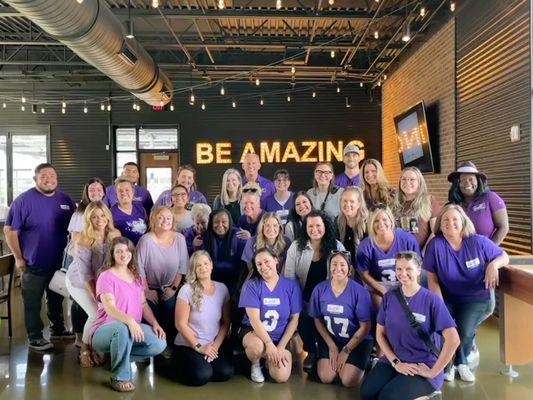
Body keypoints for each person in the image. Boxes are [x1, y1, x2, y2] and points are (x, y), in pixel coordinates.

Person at [423, 204, 509, 382]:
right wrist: (439, 305)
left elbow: (504, 256)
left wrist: (493, 265)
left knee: (464, 330)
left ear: (463, 222)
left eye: (455, 219)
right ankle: (455, 362)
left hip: (475, 298)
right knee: (446, 328)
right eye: (445, 220)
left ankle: (456, 364)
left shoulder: (477, 241)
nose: (450, 223)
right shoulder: (435, 245)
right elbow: (432, 279)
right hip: (447, 297)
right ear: (440, 224)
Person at [360, 251, 460, 400]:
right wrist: (395, 362)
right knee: (367, 394)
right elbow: (380, 334)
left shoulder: (432, 300)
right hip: (395, 359)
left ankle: (425, 396)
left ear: (419, 271)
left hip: (423, 364)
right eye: (399, 269)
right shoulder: (389, 297)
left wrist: (433, 372)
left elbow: (454, 340)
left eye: (408, 269)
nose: (403, 273)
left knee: (388, 397)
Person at [4, 163, 76, 351]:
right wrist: (18, 258)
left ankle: (57, 330)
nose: (48, 179)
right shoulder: (23, 201)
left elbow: (75, 228)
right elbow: (10, 230)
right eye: (43, 176)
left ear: (56, 179)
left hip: (59, 263)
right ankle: (35, 337)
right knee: (32, 302)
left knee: (55, 299)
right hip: (33, 262)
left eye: (52, 175)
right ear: (35, 179)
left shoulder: (65, 199)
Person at [90, 237, 166, 392]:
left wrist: (155, 323)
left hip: (131, 328)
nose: (123, 254)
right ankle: (120, 377)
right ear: (112, 255)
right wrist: (130, 321)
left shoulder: (136, 276)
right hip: (105, 330)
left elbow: (143, 305)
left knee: (159, 343)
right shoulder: (106, 276)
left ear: (131, 253)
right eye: (119, 251)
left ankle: (119, 358)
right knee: (122, 328)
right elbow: (110, 307)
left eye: (126, 251)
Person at [284, 210, 345, 369]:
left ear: (325, 226)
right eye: (310, 226)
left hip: (330, 297)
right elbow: (290, 278)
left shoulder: (337, 246)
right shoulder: (296, 247)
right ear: (305, 228)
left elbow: (344, 276)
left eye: (318, 225)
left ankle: (328, 349)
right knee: (301, 314)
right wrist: (296, 300)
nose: (314, 229)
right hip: (303, 296)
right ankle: (310, 350)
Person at [66, 201, 120, 367]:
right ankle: (85, 349)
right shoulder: (85, 237)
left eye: (102, 215)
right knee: (96, 313)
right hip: (79, 281)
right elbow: (85, 273)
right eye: (94, 217)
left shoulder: (114, 234)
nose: (99, 219)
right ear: (89, 219)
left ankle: (98, 348)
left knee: (109, 312)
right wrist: (96, 296)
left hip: (101, 280)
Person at [309, 250, 373, 387]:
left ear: (349, 269)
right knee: (326, 377)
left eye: (342, 265)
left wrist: (346, 350)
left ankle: (366, 361)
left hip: (356, 341)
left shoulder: (359, 292)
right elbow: (317, 319)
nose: (338, 268)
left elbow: (365, 326)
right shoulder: (320, 289)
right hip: (332, 338)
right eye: (334, 264)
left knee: (348, 381)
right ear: (329, 267)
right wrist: (332, 346)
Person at [239, 247, 302, 383]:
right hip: (254, 333)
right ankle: (255, 363)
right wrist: (269, 344)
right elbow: (254, 319)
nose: (264, 266)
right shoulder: (252, 285)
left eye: (267, 261)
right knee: (257, 346)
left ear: (275, 260)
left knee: (281, 377)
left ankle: (268, 358)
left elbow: (294, 320)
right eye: (259, 264)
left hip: (279, 337)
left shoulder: (291, 286)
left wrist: (280, 346)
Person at [173, 251, 234, 386]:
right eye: (198, 265)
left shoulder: (222, 288)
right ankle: (181, 365)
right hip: (189, 344)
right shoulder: (186, 290)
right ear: (193, 269)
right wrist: (199, 347)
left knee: (226, 373)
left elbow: (225, 323)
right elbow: (180, 324)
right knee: (202, 376)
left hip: (212, 343)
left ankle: (203, 366)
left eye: (206, 263)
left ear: (211, 265)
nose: (203, 268)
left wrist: (215, 347)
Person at [135, 207, 189, 341]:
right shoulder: (145, 240)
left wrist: (173, 289)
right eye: (161, 217)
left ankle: (169, 343)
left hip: (171, 285)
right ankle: (152, 345)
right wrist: (147, 291)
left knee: (170, 307)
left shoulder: (179, 239)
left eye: (169, 218)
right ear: (154, 219)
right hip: (148, 286)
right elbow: (138, 268)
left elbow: (182, 267)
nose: (165, 221)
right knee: (150, 309)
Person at [356, 205, 420, 311]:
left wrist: (411, 290)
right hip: (377, 285)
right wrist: (383, 291)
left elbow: (417, 268)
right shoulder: (365, 246)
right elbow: (364, 274)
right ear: (371, 223)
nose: (381, 224)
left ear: (391, 220)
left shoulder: (407, 239)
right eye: (376, 221)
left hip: (404, 282)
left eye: (384, 219)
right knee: (383, 310)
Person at [447, 161, 509, 245]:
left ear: (478, 181)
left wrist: (490, 249)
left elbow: (503, 227)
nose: (467, 183)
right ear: (457, 184)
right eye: (462, 180)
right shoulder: (454, 205)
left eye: (471, 179)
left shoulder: (490, 198)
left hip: (486, 255)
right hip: (461, 254)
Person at [201, 208, 247, 297]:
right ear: (211, 223)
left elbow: (243, 265)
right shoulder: (205, 237)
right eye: (216, 222)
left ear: (229, 222)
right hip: (211, 281)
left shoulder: (238, 235)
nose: (220, 225)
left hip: (234, 282)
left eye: (224, 222)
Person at [393, 167, 442, 250]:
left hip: (421, 255)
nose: (407, 182)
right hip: (399, 254)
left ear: (419, 183)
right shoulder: (394, 204)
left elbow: (435, 232)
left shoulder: (429, 201)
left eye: (412, 179)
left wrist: (424, 253)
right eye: (404, 179)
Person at [110, 177, 148, 245]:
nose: (123, 193)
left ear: (133, 191)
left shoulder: (141, 209)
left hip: (143, 249)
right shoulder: (111, 213)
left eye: (127, 190)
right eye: (120, 191)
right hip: (125, 252)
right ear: (116, 194)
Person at [68, 177, 107, 242]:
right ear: (87, 193)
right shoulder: (79, 213)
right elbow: (75, 238)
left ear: (104, 193)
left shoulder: (107, 211)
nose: (95, 192)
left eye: (99, 190)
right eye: (91, 190)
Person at [337, 187, 368, 267]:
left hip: (366, 269)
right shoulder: (337, 222)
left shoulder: (368, 224)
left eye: (352, 201)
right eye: (344, 201)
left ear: (359, 204)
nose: (348, 204)